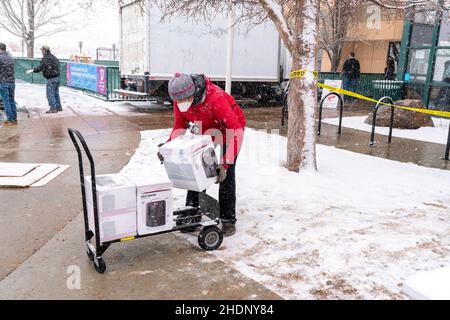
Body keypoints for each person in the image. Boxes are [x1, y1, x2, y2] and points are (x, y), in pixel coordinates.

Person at [160, 73, 246, 237]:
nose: (180, 104)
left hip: (232, 128)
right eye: (177, 101)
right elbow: (180, 125)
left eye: (183, 100)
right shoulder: (180, 100)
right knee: (197, 166)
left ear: (193, 94)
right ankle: (192, 210)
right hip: (206, 127)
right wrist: (167, 147)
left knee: (226, 174)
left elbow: (235, 131)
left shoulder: (216, 98)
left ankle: (228, 219)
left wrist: (225, 163)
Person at [27, 45, 63, 113]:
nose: (41, 52)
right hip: (57, 77)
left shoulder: (46, 58)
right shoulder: (53, 57)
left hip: (51, 78)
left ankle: (53, 108)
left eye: (42, 50)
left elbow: (41, 67)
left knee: (50, 94)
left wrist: (33, 70)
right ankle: (59, 107)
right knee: (56, 93)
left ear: (44, 50)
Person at [0, 43, 17, 126]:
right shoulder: (11, 57)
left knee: (6, 101)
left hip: (3, 82)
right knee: (11, 100)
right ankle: (14, 118)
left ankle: (10, 118)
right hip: (12, 82)